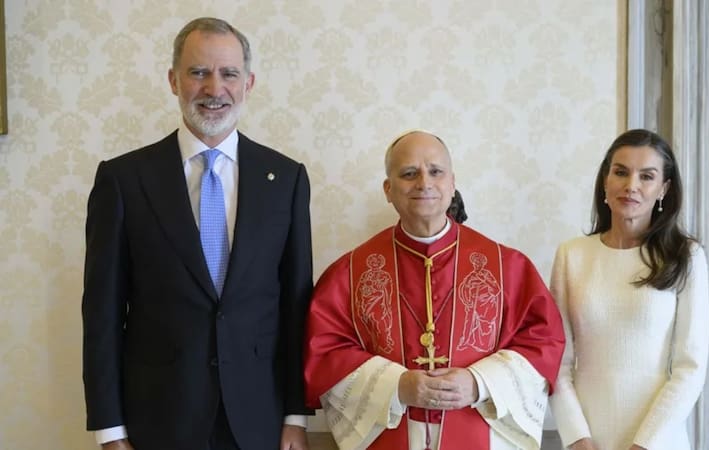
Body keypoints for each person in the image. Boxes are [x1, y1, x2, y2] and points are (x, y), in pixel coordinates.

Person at [81, 17, 313, 450]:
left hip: (259, 419)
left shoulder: (285, 179)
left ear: (249, 82)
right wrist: (110, 432)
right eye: (198, 72)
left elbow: (297, 308)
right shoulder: (124, 180)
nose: (214, 88)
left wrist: (296, 417)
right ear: (173, 80)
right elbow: (102, 316)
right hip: (158, 419)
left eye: (228, 73)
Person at [303, 130, 566, 450]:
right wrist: (395, 386)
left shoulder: (508, 266)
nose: (424, 182)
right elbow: (325, 351)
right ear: (388, 189)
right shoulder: (350, 272)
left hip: (475, 434)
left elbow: (543, 342)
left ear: (452, 183)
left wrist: (479, 383)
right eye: (409, 173)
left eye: (435, 171)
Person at [548, 129, 709, 450]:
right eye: (621, 172)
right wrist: (578, 438)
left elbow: (690, 368)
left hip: (659, 441)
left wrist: (644, 445)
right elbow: (558, 361)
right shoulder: (572, 255)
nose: (631, 185)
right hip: (586, 440)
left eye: (646, 176)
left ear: (663, 188)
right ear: (605, 181)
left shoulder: (685, 256)